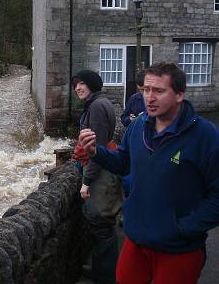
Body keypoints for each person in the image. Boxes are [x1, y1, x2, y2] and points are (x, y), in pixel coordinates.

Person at [79, 62, 219, 284]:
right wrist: (96, 152)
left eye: (159, 91)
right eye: (146, 90)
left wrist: (183, 229)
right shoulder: (138, 126)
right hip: (136, 241)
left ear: (180, 94)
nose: (149, 97)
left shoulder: (205, 136)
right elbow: (124, 162)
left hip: (179, 249)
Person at [71, 70, 123, 284]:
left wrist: (86, 182)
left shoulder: (97, 107)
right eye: (75, 85)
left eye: (81, 83)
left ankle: (105, 276)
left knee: (101, 226)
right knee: (103, 226)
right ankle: (102, 269)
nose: (77, 88)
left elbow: (97, 149)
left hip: (100, 177)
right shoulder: (98, 103)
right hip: (101, 174)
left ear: (92, 84)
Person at [120, 71, 146, 197]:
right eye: (140, 89)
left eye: (145, 89)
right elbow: (123, 118)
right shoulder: (134, 99)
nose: (144, 93)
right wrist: (129, 120)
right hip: (134, 142)